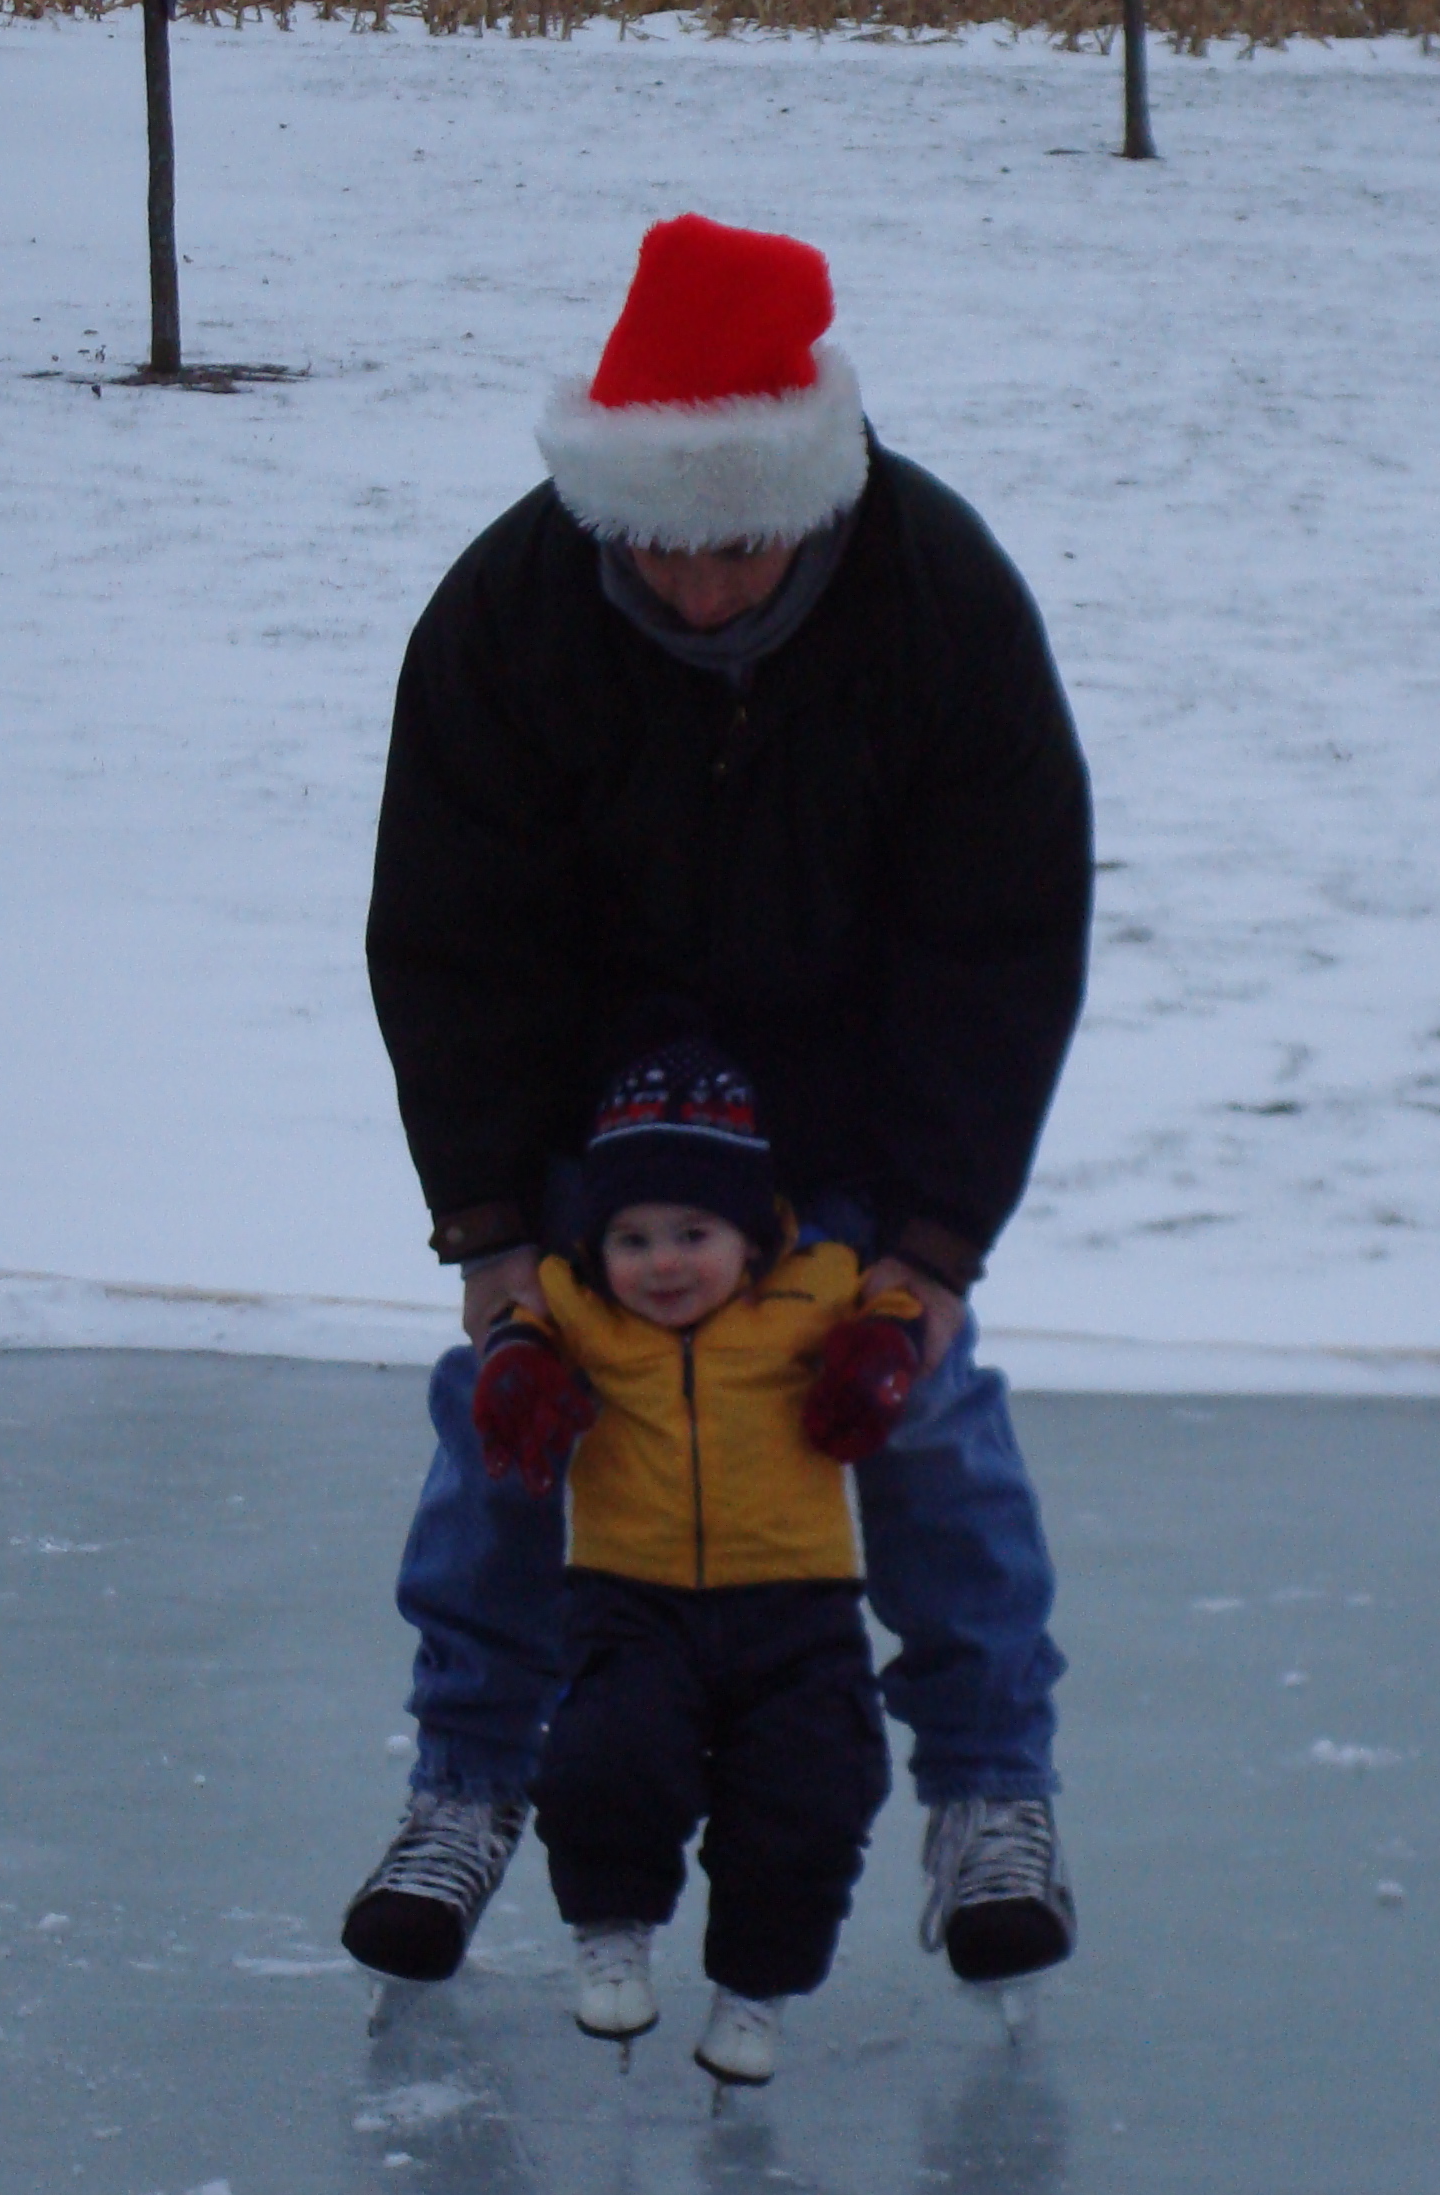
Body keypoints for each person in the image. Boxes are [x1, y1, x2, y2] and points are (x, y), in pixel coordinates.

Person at [341, 211, 1092, 1996]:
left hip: (844, 1132)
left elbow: (1000, 933)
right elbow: (448, 935)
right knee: (511, 1433)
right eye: (660, 546)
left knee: (923, 1430)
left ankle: (991, 1797)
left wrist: (929, 1243)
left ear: (808, 491)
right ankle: (464, 1782)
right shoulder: (510, 610)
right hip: (599, 1149)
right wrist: (493, 1233)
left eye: (737, 541)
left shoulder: (937, 596)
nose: (698, 588)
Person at [474, 1038, 920, 2085]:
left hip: (801, 1613)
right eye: (630, 1238)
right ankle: (611, 1931)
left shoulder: (819, 1289)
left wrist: (879, 1355)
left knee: (813, 1795)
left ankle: (754, 1994)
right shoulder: (579, 1307)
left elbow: (891, 1311)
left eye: (692, 1233)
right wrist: (518, 1370)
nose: (661, 1263)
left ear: (752, 1233)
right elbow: (518, 1326)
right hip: (630, 1603)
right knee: (606, 1763)